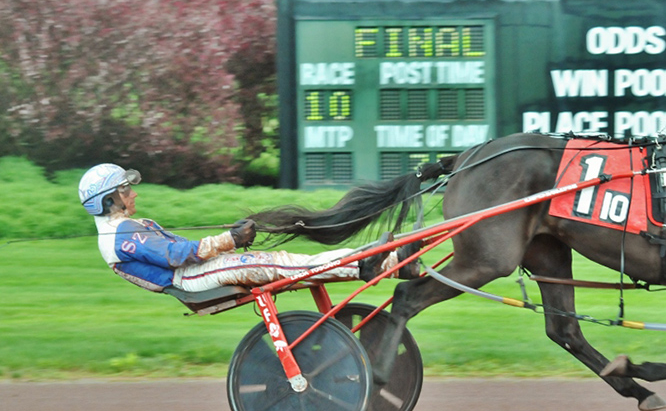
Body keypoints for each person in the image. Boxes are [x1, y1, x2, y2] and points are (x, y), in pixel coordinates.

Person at [78, 163, 418, 294]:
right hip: (193, 278)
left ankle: (382, 263)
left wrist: (230, 241)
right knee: (282, 265)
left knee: (287, 261)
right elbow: (173, 255)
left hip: (196, 272)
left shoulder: (124, 228)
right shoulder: (120, 234)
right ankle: (370, 264)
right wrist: (230, 240)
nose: (133, 193)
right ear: (108, 201)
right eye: (125, 190)